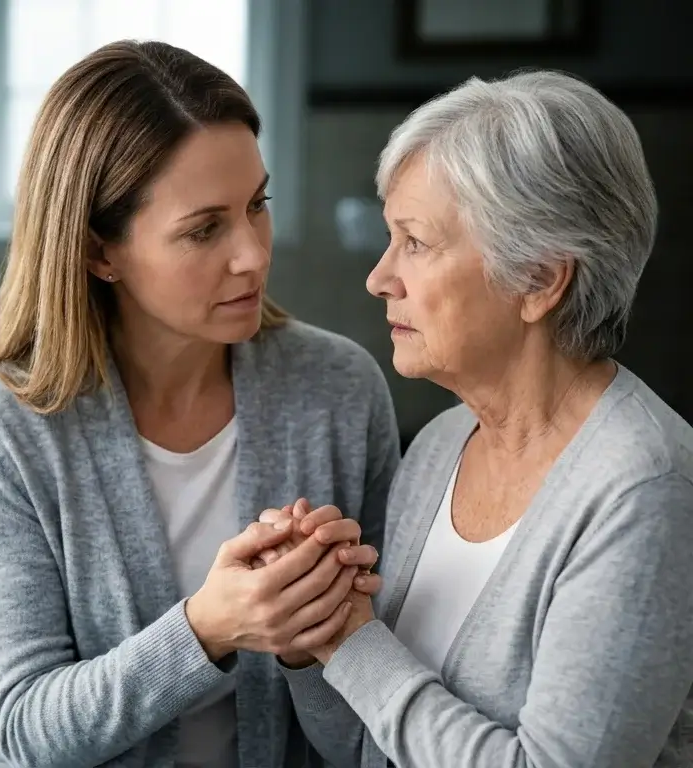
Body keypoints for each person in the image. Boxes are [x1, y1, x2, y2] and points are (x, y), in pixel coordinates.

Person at [0, 40, 400, 768]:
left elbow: (369, 723)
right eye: (204, 229)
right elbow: (28, 730)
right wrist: (208, 628)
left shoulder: (339, 390)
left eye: (257, 205)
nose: (252, 254)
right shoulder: (3, 423)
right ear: (98, 253)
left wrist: (313, 639)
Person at [274, 70, 693, 767]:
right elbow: (366, 747)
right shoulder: (440, 448)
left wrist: (355, 645)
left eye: (416, 242)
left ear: (538, 279)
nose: (380, 277)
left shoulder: (645, 490)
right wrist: (312, 640)